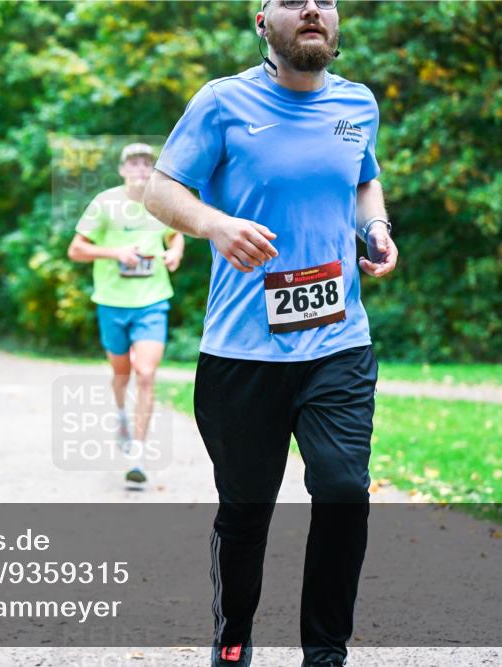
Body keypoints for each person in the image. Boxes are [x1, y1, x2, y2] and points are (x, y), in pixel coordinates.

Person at [143, 1, 398, 665]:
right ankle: (232, 640)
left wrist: (376, 229)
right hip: (241, 353)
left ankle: (325, 652)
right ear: (263, 21)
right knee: (246, 510)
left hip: (338, 342)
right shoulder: (222, 103)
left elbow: (365, 181)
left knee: (343, 487)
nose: (312, 7)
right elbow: (162, 191)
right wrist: (214, 225)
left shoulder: (357, 105)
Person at [67, 143, 185, 486]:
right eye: (134, 163)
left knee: (144, 372)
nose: (141, 169)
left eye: (147, 163)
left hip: (152, 301)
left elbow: (175, 234)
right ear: (122, 170)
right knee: (121, 372)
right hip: (112, 302)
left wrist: (174, 252)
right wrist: (115, 252)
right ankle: (121, 414)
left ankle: (138, 453)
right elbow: (76, 249)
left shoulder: (161, 202)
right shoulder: (105, 203)